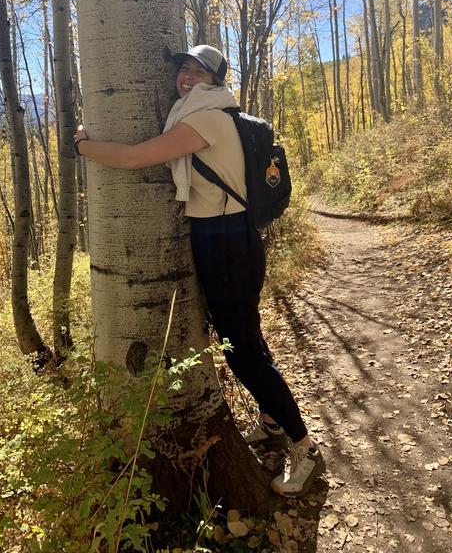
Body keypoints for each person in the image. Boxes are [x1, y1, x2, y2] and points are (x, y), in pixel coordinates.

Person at [73, 44, 325, 497]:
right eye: (183, 69)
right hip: (222, 238)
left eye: (198, 71)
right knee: (247, 338)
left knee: (241, 350)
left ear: (216, 80)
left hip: (228, 241)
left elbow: (134, 158)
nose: (186, 77)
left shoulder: (206, 118)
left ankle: (304, 446)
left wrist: (83, 146)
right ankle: (271, 423)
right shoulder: (203, 112)